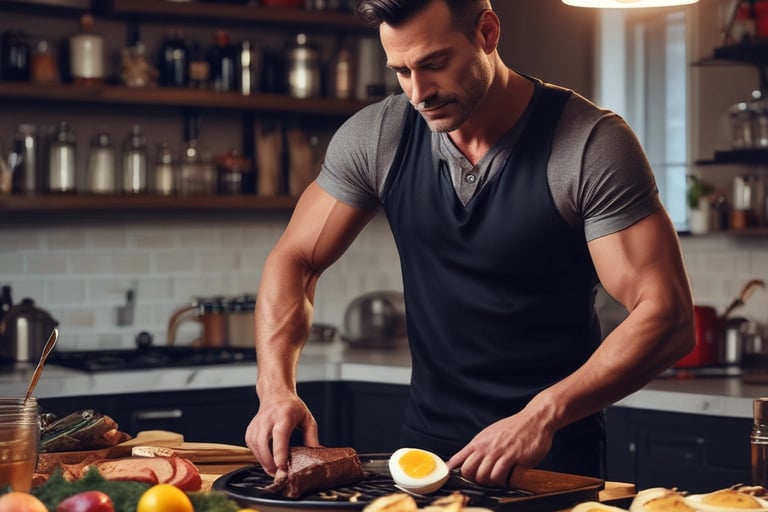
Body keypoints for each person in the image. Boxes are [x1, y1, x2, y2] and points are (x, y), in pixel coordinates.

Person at [245, 0, 695, 488]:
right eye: (401, 71)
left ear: (487, 32)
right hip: (425, 450)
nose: (419, 92)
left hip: (551, 453)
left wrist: (541, 415)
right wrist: (274, 391)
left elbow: (667, 316)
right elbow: (297, 257)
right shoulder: (380, 136)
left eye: (435, 63)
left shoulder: (587, 144)